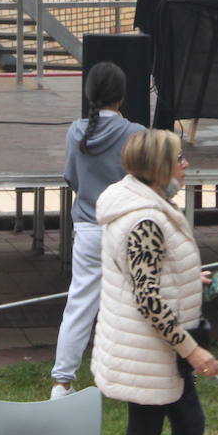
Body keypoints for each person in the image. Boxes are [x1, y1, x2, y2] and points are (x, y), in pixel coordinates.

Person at [93, 129, 218, 435]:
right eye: (179, 158)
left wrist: (189, 277)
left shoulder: (137, 202)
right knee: (154, 431)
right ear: (160, 166)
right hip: (151, 353)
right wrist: (193, 351)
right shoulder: (145, 220)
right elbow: (148, 298)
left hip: (151, 352)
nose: (186, 164)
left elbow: (148, 273)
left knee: (181, 424)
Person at [49, 61, 146, 400]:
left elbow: (71, 178)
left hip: (89, 228)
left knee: (80, 304)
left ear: (88, 94)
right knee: (136, 305)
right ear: (122, 96)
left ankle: (62, 382)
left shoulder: (75, 131)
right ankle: (131, 378)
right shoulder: (136, 133)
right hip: (128, 228)